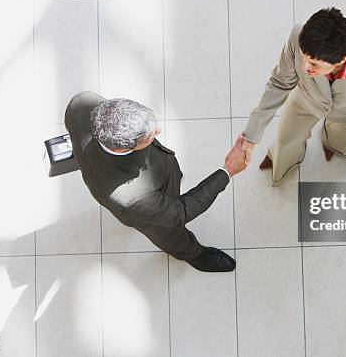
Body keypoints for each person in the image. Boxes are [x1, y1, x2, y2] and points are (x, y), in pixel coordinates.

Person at [65, 92, 247, 272]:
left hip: (151, 179)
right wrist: (228, 171)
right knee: (170, 234)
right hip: (146, 206)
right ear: (121, 149)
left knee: (170, 179)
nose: (158, 131)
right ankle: (193, 254)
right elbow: (181, 211)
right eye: (149, 136)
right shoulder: (132, 197)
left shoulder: (82, 104)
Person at [240, 7, 346, 186]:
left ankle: (333, 146)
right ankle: (282, 164)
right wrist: (251, 136)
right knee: (286, 137)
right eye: (303, 57)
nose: (304, 67)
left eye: (314, 64)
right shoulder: (297, 37)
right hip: (306, 101)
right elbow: (279, 83)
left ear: (341, 60)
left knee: (342, 140)